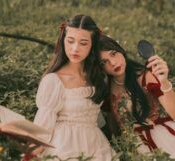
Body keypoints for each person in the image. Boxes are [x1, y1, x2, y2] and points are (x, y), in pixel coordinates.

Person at [32, 15, 115, 161]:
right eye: (70, 41)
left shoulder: (98, 77)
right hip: (64, 145)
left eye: (83, 43)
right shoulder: (54, 80)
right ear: (63, 40)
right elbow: (42, 127)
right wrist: (31, 154)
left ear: (92, 46)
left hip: (96, 145)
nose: (75, 48)